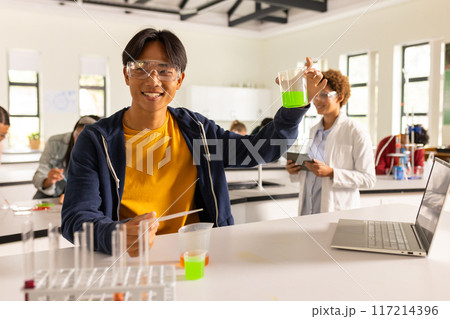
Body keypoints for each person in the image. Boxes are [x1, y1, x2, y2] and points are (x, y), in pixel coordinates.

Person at [61, 28, 327, 256]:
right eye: (141, 68)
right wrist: (116, 234)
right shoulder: (98, 142)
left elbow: (261, 150)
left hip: (199, 256)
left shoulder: (195, 134)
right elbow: (76, 219)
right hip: (130, 260)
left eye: (165, 70)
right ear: (126, 75)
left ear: (179, 79)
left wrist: (297, 101)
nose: (153, 80)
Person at [286, 69, 376, 215]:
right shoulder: (313, 130)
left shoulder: (356, 131)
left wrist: (332, 173)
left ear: (339, 97)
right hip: (307, 210)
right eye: (316, 95)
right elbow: (311, 172)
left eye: (324, 95)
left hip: (336, 211)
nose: (317, 100)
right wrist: (294, 170)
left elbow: (368, 179)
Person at [32, 115, 100, 204]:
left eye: (89, 140)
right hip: (50, 198)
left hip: (82, 201)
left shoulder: (103, 151)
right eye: (78, 136)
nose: (82, 143)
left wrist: (74, 197)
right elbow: (38, 178)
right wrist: (49, 180)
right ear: (74, 133)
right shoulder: (55, 142)